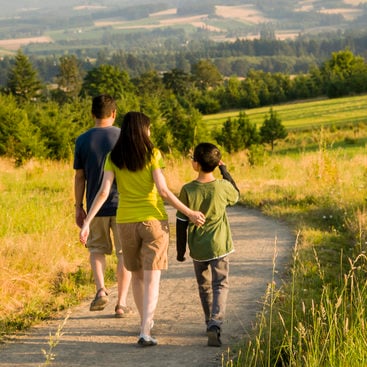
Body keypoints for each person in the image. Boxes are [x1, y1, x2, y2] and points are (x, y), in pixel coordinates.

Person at [79, 111, 206, 347]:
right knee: (152, 278)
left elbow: (104, 192)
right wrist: (189, 213)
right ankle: (145, 329)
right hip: (153, 222)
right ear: (142, 129)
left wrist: (87, 223)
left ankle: (143, 324)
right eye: (148, 127)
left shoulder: (113, 156)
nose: (149, 131)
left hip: (125, 222)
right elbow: (164, 192)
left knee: (137, 275)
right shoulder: (153, 154)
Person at [74, 94, 132, 318]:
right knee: (123, 254)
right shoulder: (124, 136)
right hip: (123, 205)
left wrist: (79, 206)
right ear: (114, 113)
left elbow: (80, 177)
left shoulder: (82, 140)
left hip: (95, 206)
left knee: (96, 249)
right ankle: (122, 302)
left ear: (92, 114)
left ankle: (100, 290)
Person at [176, 142, 240, 347]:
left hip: (198, 248)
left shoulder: (187, 190)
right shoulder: (222, 187)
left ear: (195, 164)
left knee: (204, 286)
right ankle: (215, 322)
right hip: (220, 245)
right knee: (220, 283)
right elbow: (236, 193)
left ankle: (208, 321)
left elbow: (181, 222)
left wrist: (180, 250)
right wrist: (224, 170)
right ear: (215, 164)